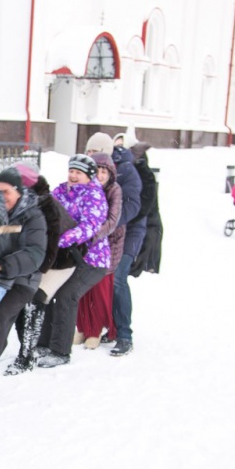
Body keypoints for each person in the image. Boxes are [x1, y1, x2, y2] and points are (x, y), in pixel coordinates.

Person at [0, 163, 66, 403]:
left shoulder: (33, 215)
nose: (1, 196)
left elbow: (35, 254)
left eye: (6, 191)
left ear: (19, 191)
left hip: (22, 278)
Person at [35, 155, 110, 368]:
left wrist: (62, 240)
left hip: (92, 259)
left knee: (67, 295)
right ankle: (43, 343)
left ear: (89, 176)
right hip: (67, 257)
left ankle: (60, 351)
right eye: (71, 171)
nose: (73, 176)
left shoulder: (94, 195)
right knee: (48, 292)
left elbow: (90, 226)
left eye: (79, 173)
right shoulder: (60, 191)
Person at [86, 132, 142, 357]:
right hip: (103, 232)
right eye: (88, 152)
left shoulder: (126, 170)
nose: (90, 156)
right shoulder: (92, 168)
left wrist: (106, 224)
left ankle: (124, 335)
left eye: (94, 151)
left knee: (117, 278)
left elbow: (133, 205)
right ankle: (96, 325)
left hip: (129, 231)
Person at [75, 153, 123, 349]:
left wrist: (92, 233)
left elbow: (113, 221)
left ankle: (95, 330)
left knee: (99, 289)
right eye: (98, 171)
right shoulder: (87, 187)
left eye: (104, 171)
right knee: (81, 288)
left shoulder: (114, 190)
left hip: (108, 243)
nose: (101, 175)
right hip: (86, 244)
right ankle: (82, 327)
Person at [129, 143, 163, 278]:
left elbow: (145, 207)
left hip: (148, 230)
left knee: (143, 274)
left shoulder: (143, 175)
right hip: (147, 229)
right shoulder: (137, 174)